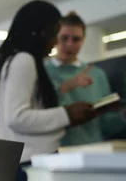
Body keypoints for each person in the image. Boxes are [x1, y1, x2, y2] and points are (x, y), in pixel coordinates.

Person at [0, 0, 96, 181]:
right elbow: (16, 117)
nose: (54, 42)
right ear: (40, 33)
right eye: (54, 34)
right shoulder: (24, 60)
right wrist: (67, 114)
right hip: (31, 162)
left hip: (18, 160)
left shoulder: (9, 60)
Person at [45, 11, 126, 146]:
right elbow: (38, 117)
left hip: (94, 151)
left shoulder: (96, 74)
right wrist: (67, 86)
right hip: (57, 153)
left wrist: (122, 116)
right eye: (64, 38)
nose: (69, 44)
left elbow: (104, 125)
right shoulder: (42, 72)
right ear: (55, 38)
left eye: (76, 39)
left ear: (83, 40)